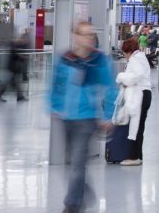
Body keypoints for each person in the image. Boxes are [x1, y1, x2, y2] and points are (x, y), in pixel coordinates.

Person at [49, 21, 117, 213]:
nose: (89, 38)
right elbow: (56, 84)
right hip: (66, 118)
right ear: (75, 36)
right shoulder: (65, 58)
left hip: (87, 119)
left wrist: (107, 116)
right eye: (84, 34)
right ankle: (84, 192)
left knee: (78, 163)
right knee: (71, 164)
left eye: (91, 35)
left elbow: (111, 89)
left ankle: (72, 205)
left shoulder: (99, 60)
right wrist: (54, 106)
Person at [115, 36, 153, 166]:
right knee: (139, 125)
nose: (124, 56)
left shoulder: (134, 59)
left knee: (136, 126)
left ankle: (134, 156)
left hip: (140, 94)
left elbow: (137, 76)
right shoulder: (141, 57)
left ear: (128, 51)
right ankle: (136, 155)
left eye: (124, 53)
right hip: (145, 93)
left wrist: (121, 77)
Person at [0, 30, 29, 103]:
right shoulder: (12, 46)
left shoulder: (12, 45)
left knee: (13, 84)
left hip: (11, 69)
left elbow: (15, 54)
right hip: (10, 69)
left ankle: (19, 97)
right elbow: (15, 55)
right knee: (8, 84)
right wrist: (23, 58)